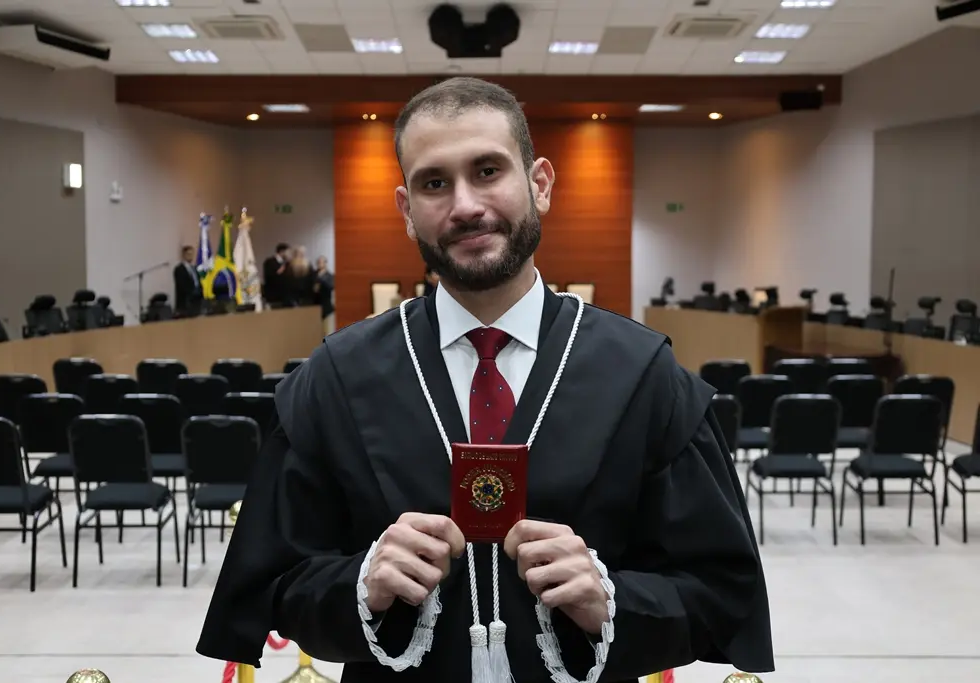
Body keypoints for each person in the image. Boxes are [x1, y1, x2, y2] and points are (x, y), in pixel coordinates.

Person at [196, 76, 774, 683]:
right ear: (406, 210)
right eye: (434, 183)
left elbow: (719, 592)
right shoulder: (338, 375)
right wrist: (360, 584)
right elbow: (275, 582)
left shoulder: (642, 373)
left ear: (540, 184)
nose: (466, 205)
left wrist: (613, 601)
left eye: (489, 170)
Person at [173, 245, 202, 317]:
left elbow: (198, 282)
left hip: (197, 301)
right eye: (188, 254)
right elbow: (182, 286)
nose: (190, 256)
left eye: (192, 254)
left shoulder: (194, 268)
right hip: (185, 303)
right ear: (184, 255)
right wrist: (193, 291)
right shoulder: (179, 269)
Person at [263, 243, 291, 307]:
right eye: (288, 252)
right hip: (273, 296)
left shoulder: (288, 263)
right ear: (282, 252)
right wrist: (282, 269)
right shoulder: (269, 262)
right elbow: (269, 277)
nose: (289, 255)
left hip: (286, 296)